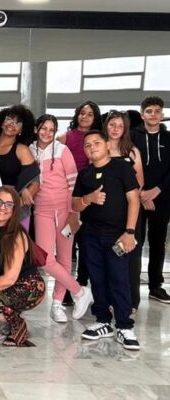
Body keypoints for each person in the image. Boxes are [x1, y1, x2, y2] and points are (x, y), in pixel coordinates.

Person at [72, 130, 141, 350]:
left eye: (96, 143)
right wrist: (88, 199)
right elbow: (75, 204)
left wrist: (130, 232)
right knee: (97, 278)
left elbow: (134, 199)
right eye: (87, 145)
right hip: (90, 235)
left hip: (117, 235)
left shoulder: (122, 168)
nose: (92, 147)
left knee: (119, 279)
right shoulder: (85, 174)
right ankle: (103, 321)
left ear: (107, 145)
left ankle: (124, 326)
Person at [29, 114, 93, 323]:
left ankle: (57, 305)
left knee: (65, 259)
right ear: (36, 129)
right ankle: (80, 291)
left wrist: (74, 213)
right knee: (45, 259)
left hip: (65, 210)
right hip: (42, 210)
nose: (47, 133)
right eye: (43, 128)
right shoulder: (29, 150)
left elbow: (74, 183)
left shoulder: (62, 150)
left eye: (51, 129)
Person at [0, 186, 46, 351]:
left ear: (15, 209)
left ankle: (16, 325)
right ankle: (5, 315)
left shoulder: (16, 235)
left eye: (8, 204)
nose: (2, 208)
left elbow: (10, 278)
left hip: (27, 285)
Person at [58, 101, 102, 294]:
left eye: (90, 114)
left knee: (87, 243)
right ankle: (68, 288)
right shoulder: (65, 138)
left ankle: (82, 284)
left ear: (95, 118)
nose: (85, 117)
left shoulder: (100, 140)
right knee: (68, 243)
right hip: (68, 194)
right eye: (82, 113)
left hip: (91, 193)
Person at [130, 96, 170, 304]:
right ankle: (131, 286)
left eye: (157, 111)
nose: (153, 114)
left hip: (162, 198)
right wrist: (142, 193)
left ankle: (156, 286)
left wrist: (157, 190)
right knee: (135, 242)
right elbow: (127, 166)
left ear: (162, 114)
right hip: (137, 197)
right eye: (149, 111)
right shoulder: (132, 137)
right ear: (142, 114)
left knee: (158, 242)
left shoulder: (169, 138)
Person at [105, 110, 145, 310]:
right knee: (110, 256)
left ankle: (131, 301)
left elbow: (140, 183)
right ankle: (111, 299)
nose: (115, 129)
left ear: (125, 129)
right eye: (112, 125)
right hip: (106, 213)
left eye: (120, 126)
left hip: (130, 210)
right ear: (106, 126)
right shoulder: (100, 148)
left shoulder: (132, 151)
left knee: (131, 256)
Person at [0, 105, 40, 229]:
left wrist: (15, 204)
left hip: (15, 210)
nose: (12, 124)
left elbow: (35, 183)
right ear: (2, 122)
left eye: (18, 123)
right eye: (9, 119)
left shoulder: (22, 150)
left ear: (21, 130)